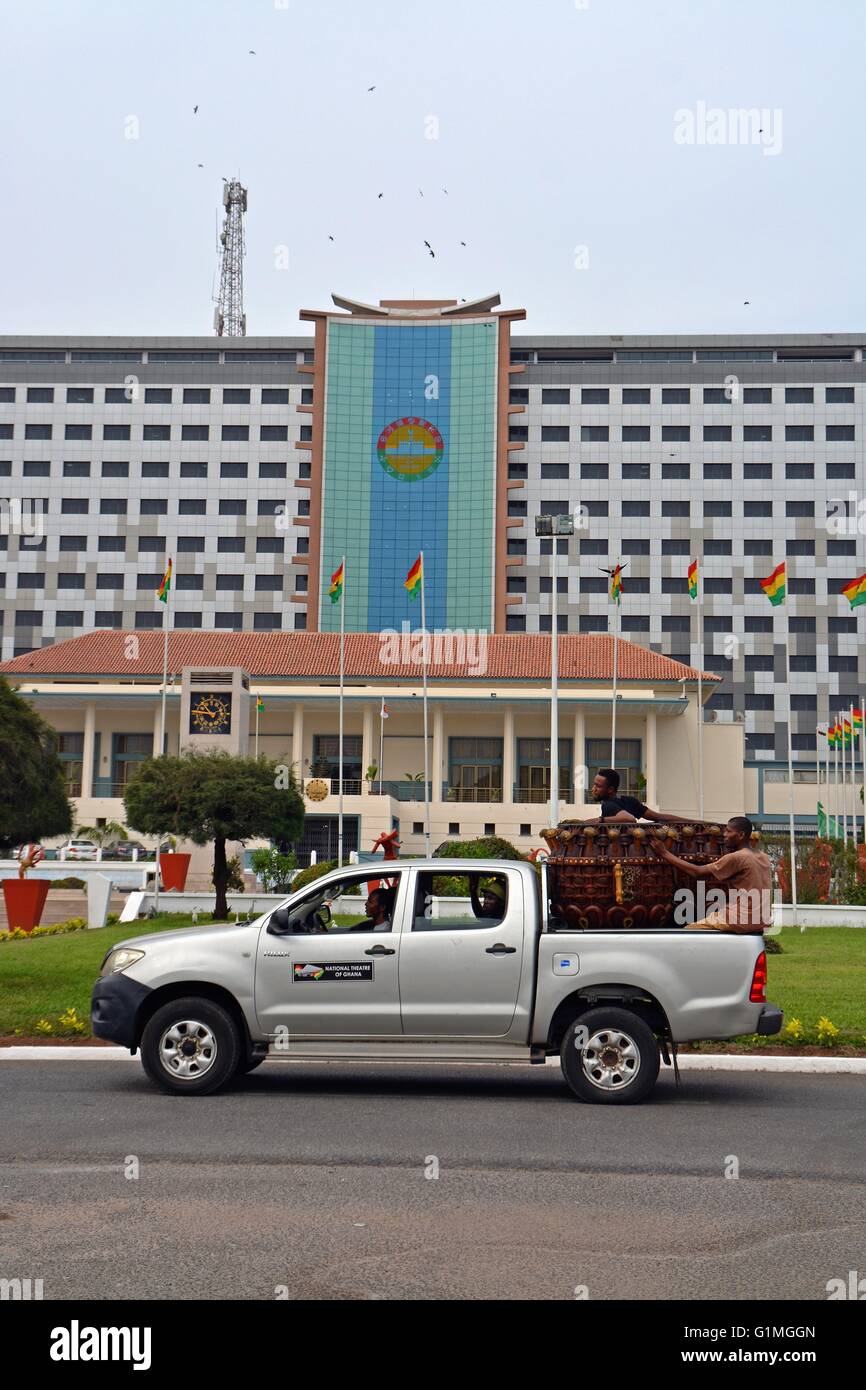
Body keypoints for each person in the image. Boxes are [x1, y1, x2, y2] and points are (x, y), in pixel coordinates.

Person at [647, 815, 773, 933]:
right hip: (762, 919)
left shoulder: (737, 857)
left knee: (687, 931)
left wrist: (664, 853)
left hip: (741, 919)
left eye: (729, 831)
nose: (724, 835)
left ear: (740, 835)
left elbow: (697, 872)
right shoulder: (764, 857)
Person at [591, 768, 687, 824]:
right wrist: (692, 821)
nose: (593, 789)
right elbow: (660, 817)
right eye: (594, 784)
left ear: (610, 790)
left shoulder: (608, 805)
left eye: (598, 786)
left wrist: (600, 820)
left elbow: (629, 819)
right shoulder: (629, 801)